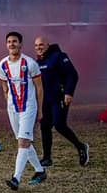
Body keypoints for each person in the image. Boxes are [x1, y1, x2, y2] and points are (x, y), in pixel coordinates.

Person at [0, 31, 47, 190]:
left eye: (15, 41)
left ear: (21, 44)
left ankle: (16, 178)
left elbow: (39, 88)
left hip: (29, 107)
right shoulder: (3, 64)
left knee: (23, 141)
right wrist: (8, 103)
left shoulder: (30, 63)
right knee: (23, 141)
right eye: (9, 42)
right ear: (6, 45)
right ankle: (40, 171)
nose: (12, 44)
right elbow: (4, 87)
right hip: (13, 108)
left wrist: (39, 110)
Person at [34, 36, 89, 167]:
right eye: (36, 45)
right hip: (44, 99)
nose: (38, 48)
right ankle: (47, 158)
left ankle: (81, 147)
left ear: (48, 45)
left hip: (59, 97)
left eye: (41, 45)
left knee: (59, 125)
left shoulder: (59, 56)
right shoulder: (37, 62)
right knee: (45, 126)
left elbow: (72, 74)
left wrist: (68, 92)